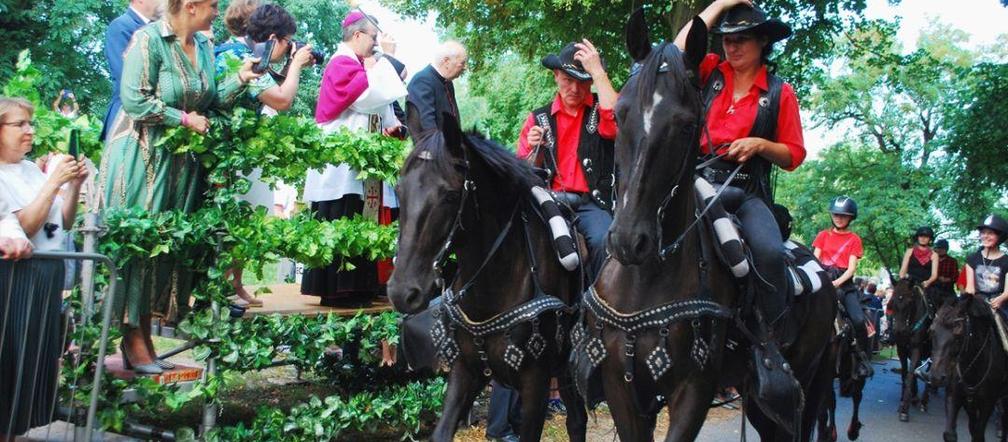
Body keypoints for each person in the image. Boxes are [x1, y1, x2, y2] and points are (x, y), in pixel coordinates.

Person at [98, 0, 263, 375]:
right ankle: (131, 335)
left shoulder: (204, 46)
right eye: (213, 5)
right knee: (139, 247)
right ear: (190, 6)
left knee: (165, 249)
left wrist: (239, 79)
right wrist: (183, 119)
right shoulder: (148, 40)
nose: (217, 12)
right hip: (141, 158)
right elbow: (135, 100)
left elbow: (207, 99)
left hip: (179, 163)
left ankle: (143, 333)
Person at [673, 0, 806, 407]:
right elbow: (676, 51)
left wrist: (763, 144)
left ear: (763, 42)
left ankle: (768, 348)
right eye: (727, 39)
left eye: (742, 39)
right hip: (697, 183)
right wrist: (721, 4)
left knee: (767, 251)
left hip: (747, 191)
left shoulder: (781, 92)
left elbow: (795, 155)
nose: (731, 47)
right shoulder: (710, 69)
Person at [215, 2, 316, 307]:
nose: (288, 50)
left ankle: (235, 283)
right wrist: (295, 65)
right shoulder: (236, 56)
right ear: (274, 38)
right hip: (224, 153)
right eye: (287, 44)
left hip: (241, 150)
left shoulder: (249, 54)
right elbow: (281, 99)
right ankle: (224, 288)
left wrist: (289, 66)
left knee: (245, 219)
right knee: (230, 221)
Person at [301, 11, 405, 307]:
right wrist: (390, 59)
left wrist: (390, 123)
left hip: (358, 166)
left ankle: (359, 286)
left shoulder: (356, 64)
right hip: (340, 166)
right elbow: (367, 97)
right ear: (357, 35)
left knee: (360, 218)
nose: (375, 44)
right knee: (341, 217)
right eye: (373, 38)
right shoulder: (341, 62)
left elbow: (377, 102)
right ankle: (338, 289)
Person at [0, 96, 86, 438]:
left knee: (32, 367)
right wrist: (53, 182)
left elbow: (58, 223)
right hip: (16, 280)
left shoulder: (31, 170)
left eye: (30, 124)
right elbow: (26, 227)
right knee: (11, 365)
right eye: (19, 124)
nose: (29, 131)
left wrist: (73, 186)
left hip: (45, 278)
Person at [516, 39, 618, 283]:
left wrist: (599, 72)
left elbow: (617, 124)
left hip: (591, 202)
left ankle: (596, 306)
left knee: (604, 239)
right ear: (556, 75)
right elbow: (523, 172)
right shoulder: (537, 118)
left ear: (591, 81)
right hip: (547, 201)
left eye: (582, 82)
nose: (574, 88)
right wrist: (534, 149)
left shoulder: (600, 109)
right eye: (567, 79)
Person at [813, 196, 872, 377]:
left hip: (844, 285)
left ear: (850, 218)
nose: (838, 218)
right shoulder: (823, 235)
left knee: (859, 320)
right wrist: (822, 280)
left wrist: (836, 283)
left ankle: (862, 359)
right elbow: (815, 259)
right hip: (822, 280)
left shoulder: (854, 239)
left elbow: (852, 268)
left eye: (843, 215)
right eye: (836, 214)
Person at [102, 0, 162, 142]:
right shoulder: (121, 26)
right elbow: (126, 77)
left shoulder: (159, 30)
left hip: (151, 116)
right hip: (126, 119)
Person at [406, 41, 467, 132]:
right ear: (446, 61)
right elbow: (425, 129)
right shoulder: (421, 81)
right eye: (462, 63)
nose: (465, 67)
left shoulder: (448, 83)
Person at [963, 214, 1008, 336]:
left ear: (999, 236)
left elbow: (1007, 292)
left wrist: (1000, 299)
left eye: (990, 233)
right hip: (977, 302)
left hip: (999, 303)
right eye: (983, 232)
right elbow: (970, 289)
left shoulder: (1006, 261)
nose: (985, 236)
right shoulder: (972, 259)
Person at [933, 238, 958, 303]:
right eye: (938, 248)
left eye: (942, 248)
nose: (939, 250)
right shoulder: (931, 260)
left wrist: (946, 279)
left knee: (955, 305)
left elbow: (956, 277)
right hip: (933, 288)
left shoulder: (952, 261)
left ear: (946, 249)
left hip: (947, 290)